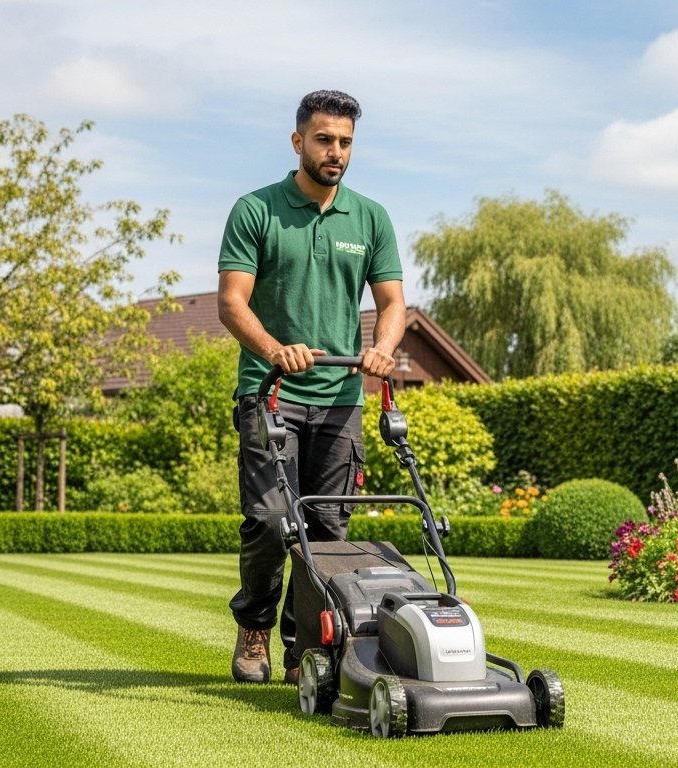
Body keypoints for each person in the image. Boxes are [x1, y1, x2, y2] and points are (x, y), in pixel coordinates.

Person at [217, 89, 405, 684]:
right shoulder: (256, 210)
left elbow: (393, 302)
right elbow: (231, 303)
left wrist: (383, 348)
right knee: (274, 521)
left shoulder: (369, 217)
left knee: (327, 531)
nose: (336, 152)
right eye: (324, 139)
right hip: (270, 392)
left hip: (340, 400)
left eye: (345, 142)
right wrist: (275, 350)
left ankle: (305, 651)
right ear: (298, 141)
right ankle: (254, 625)